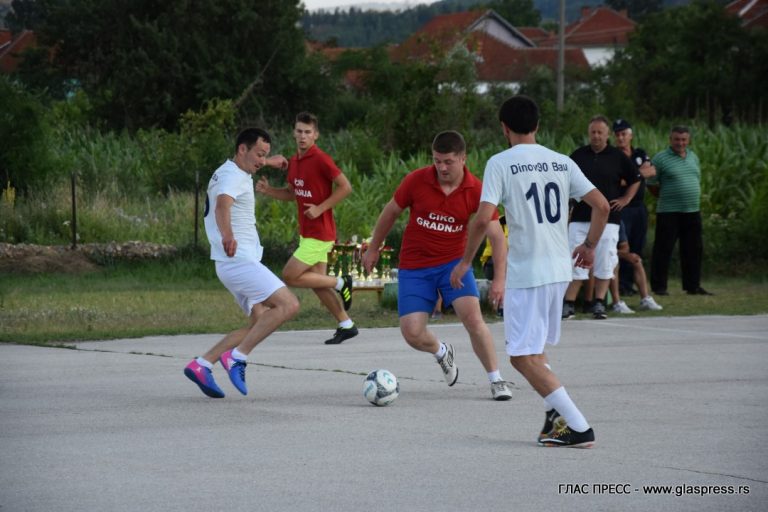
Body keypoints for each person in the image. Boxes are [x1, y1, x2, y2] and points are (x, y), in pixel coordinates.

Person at [451, 95, 609, 448]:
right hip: (558, 269)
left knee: (521, 357)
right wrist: (590, 246)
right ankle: (556, 418)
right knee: (535, 352)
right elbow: (601, 205)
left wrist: (465, 261)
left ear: (503, 128)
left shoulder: (500, 163)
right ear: (537, 126)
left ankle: (578, 425)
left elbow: (483, 218)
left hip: (528, 272)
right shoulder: (561, 161)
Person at [362, 130, 513, 401]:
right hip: (414, 266)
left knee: (473, 318)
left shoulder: (478, 190)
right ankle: (442, 352)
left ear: (463, 159)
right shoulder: (416, 180)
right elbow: (390, 212)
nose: (441, 167)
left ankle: (497, 379)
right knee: (412, 333)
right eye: (437, 161)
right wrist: (373, 248)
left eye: (448, 162)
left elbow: (497, 238)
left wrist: (500, 279)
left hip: (454, 265)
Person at [184, 128, 300, 398]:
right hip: (239, 262)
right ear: (241, 150)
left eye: (265, 155)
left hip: (231, 264)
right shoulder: (231, 176)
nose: (261, 160)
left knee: (258, 323)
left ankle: (201, 365)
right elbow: (223, 205)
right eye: (259, 154)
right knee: (289, 304)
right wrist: (228, 235)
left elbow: (250, 166)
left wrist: (270, 160)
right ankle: (237, 357)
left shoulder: (234, 170)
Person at [256, 112, 357, 345]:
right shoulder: (294, 162)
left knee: (291, 275)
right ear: (294, 132)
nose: (303, 136)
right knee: (315, 282)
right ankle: (346, 324)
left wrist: (321, 208)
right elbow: (293, 193)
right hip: (307, 232)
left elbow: (345, 187)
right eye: (299, 131)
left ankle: (342, 283)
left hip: (320, 234)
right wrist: (269, 190)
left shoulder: (321, 159)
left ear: (316, 135)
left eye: (308, 132)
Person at [562, 115, 640, 320]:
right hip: (580, 217)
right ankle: (568, 303)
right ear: (589, 134)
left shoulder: (618, 157)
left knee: (606, 259)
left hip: (609, 218)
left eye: (600, 132)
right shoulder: (577, 156)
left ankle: (599, 303)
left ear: (607, 135)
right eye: (593, 132)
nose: (596, 136)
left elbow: (636, 179)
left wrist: (626, 199)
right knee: (574, 259)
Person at [648, 126, 712, 296]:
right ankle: (659, 287)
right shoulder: (660, 159)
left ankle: (693, 286)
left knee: (693, 249)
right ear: (671, 139)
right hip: (669, 211)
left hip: (692, 211)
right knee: (663, 249)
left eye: (683, 139)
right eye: (677, 139)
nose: (680, 143)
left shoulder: (693, 157)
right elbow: (651, 184)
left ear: (688, 140)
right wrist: (669, 196)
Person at [612, 118, 656, 296]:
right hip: (622, 206)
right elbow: (617, 180)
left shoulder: (639, 153)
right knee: (623, 246)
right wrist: (639, 174)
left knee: (638, 244)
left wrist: (631, 177)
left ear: (630, 135)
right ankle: (621, 284)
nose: (621, 138)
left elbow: (652, 171)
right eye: (618, 135)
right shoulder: (614, 156)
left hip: (639, 206)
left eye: (624, 134)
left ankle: (631, 283)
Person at [609, 222, 663, 313]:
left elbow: (625, 247)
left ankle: (645, 299)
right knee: (614, 263)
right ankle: (616, 303)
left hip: (612, 253)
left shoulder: (617, 221)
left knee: (636, 260)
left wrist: (626, 255)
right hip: (597, 256)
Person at [479, 215, 507, 316]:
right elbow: (500, 250)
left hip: (508, 263)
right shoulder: (498, 223)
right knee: (507, 261)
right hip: (491, 263)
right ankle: (499, 307)